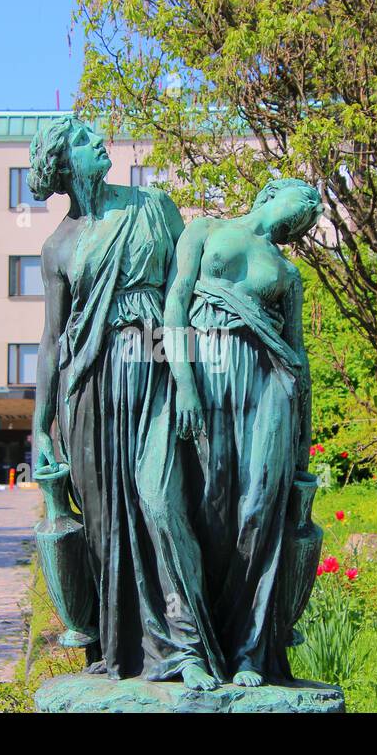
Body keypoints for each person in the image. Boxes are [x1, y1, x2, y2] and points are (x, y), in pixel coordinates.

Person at [29, 116, 224, 689]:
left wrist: (186, 377)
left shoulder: (153, 205)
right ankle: (125, 650)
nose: (100, 143)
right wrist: (40, 428)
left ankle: (189, 648)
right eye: (86, 141)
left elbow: (180, 295)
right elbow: (50, 340)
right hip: (90, 389)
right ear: (66, 165)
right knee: (106, 521)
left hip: (154, 361)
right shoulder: (58, 246)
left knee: (160, 502)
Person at [164, 178, 322, 686]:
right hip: (207, 370)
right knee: (207, 505)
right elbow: (175, 304)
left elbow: (297, 357)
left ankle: (252, 650)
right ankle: (200, 643)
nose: (304, 218)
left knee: (260, 507)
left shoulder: (287, 272)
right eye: (302, 205)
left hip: (267, 381)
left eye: (310, 218)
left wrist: (303, 442)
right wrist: (183, 382)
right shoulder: (206, 228)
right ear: (271, 193)